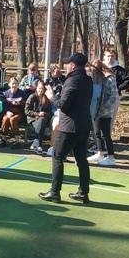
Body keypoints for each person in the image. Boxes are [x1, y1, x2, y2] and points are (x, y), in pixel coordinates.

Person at [39, 53, 93, 203]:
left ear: (73, 65)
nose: (66, 66)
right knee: (81, 160)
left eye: (68, 63)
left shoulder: (72, 80)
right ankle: (83, 192)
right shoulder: (88, 80)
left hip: (69, 127)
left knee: (57, 156)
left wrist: (51, 96)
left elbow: (63, 105)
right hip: (84, 125)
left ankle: (54, 192)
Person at [88, 60, 119, 167]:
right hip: (95, 111)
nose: (93, 73)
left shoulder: (110, 79)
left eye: (94, 71)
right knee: (97, 133)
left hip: (105, 112)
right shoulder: (97, 78)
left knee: (106, 135)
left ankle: (111, 157)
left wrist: (103, 109)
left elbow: (113, 97)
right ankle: (100, 153)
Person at [25, 80, 52, 153]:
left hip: (43, 119)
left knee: (42, 120)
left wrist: (44, 114)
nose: (41, 90)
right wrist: (37, 114)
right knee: (41, 122)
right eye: (39, 88)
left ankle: (36, 144)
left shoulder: (46, 98)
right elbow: (26, 111)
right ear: (36, 88)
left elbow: (49, 112)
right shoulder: (32, 97)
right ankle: (38, 144)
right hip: (33, 119)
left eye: (42, 89)